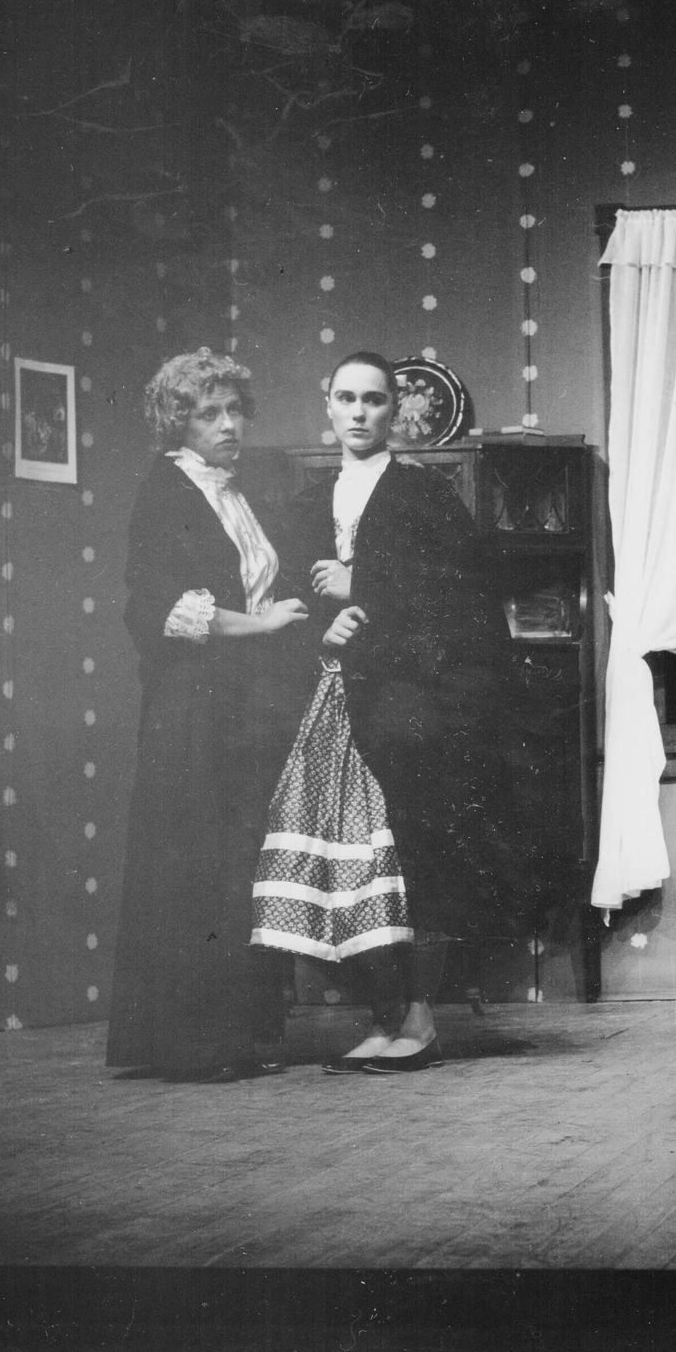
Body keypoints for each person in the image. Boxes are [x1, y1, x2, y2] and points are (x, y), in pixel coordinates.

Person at [252, 351, 513, 1072]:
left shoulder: (424, 494)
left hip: (411, 701)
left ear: (394, 410)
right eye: (347, 398)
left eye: (373, 399)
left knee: (408, 853)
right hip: (332, 704)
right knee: (352, 866)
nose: (360, 412)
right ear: (328, 406)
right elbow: (286, 598)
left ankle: (419, 1020)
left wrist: (363, 582)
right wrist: (321, 626)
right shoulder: (307, 503)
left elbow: (466, 596)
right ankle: (383, 1016)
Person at [107, 349, 313, 1082]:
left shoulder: (233, 492)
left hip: (244, 705)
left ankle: (243, 1033)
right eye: (208, 413)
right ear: (178, 423)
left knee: (240, 864)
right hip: (191, 709)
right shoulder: (166, 490)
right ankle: (195, 1044)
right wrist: (264, 625)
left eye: (233, 410)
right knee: (197, 866)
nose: (228, 425)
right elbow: (160, 609)